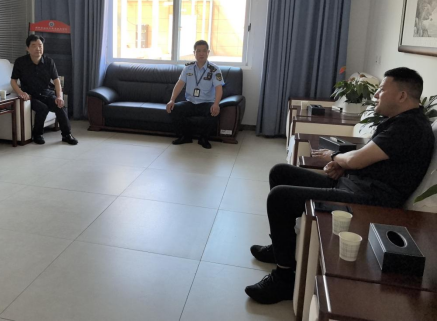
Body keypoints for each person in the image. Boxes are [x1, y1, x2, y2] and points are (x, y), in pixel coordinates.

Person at [245, 67, 434, 305]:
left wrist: (337, 158)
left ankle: (284, 278)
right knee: (280, 172)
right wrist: (344, 167)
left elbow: (356, 159)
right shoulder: (403, 122)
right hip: (354, 186)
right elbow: (372, 160)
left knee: (279, 197)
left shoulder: (409, 128)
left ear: (402, 95)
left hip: (368, 201)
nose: (376, 95)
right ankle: (280, 249)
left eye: (381, 90)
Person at [11, 34, 78, 145]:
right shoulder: (20, 62)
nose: (38, 48)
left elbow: (56, 81)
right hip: (31, 95)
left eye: (40, 45)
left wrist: (59, 96)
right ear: (27, 48)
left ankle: (67, 135)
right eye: (34, 45)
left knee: (60, 106)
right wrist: (21, 93)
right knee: (42, 108)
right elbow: (13, 81)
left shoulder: (49, 62)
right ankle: (37, 134)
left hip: (47, 93)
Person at [166, 40, 224, 149]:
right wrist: (172, 100)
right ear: (194, 53)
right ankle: (186, 136)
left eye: (204, 51)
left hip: (206, 103)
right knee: (172, 108)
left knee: (215, 112)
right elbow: (180, 84)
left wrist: (216, 104)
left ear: (208, 52)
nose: (201, 53)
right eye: (198, 51)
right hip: (191, 103)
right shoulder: (188, 68)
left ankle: (203, 138)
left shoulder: (214, 69)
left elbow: (219, 88)